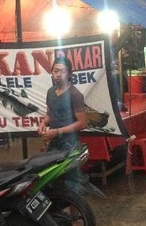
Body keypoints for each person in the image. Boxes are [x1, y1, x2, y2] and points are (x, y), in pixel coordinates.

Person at [37, 56, 87, 190]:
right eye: (55, 71)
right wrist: (43, 123)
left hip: (70, 144)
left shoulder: (75, 94)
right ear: (52, 72)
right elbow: (49, 114)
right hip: (54, 143)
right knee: (48, 180)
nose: (58, 75)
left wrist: (57, 132)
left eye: (63, 71)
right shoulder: (50, 92)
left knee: (72, 184)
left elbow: (82, 123)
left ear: (69, 74)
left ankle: (77, 210)